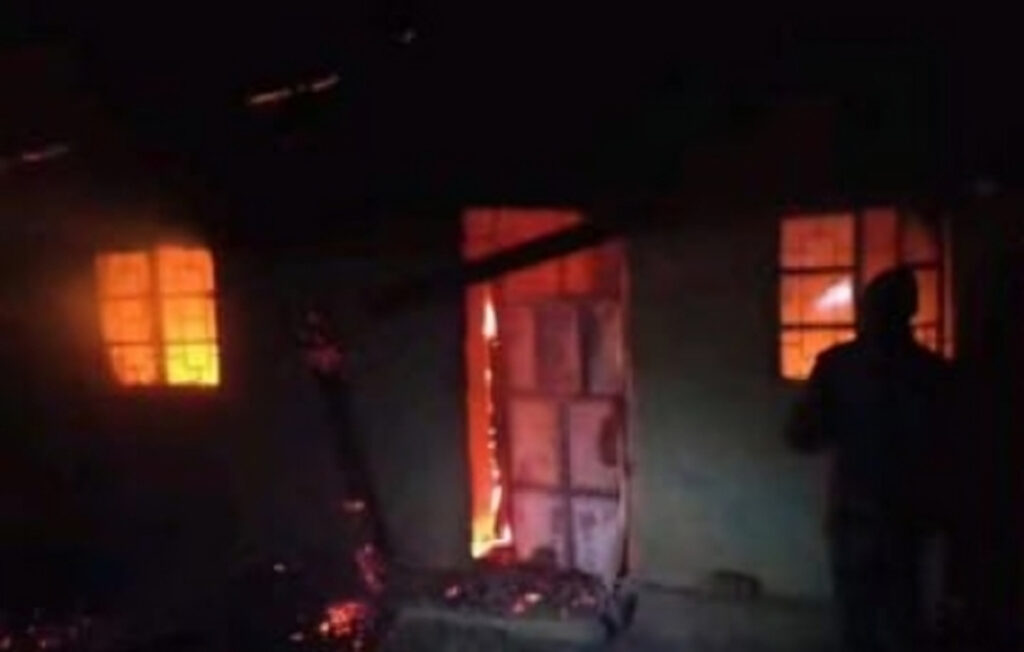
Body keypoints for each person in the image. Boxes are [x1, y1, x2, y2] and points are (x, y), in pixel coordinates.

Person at [786, 267, 952, 652]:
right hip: (907, 516)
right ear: (911, 311)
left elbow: (800, 436)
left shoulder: (838, 365)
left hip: (856, 513)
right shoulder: (932, 372)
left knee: (857, 623)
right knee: (904, 620)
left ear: (866, 310)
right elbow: (950, 450)